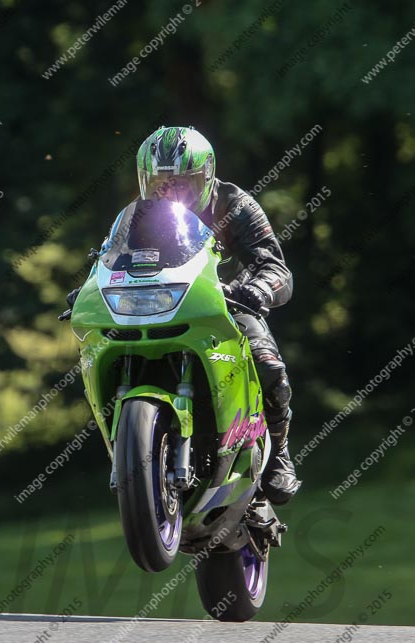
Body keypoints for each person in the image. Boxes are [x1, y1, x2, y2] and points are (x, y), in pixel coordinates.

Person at [68, 125, 301, 505]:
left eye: (183, 182)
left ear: (207, 176)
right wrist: (87, 291)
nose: (170, 191)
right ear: (144, 182)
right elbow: (107, 261)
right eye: (159, 182)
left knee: (269, 365)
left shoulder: (234, 203)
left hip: (224, 306)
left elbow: (275, 266)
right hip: (152, 307)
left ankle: (279, 455)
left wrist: (257, 288)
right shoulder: (134, 216)